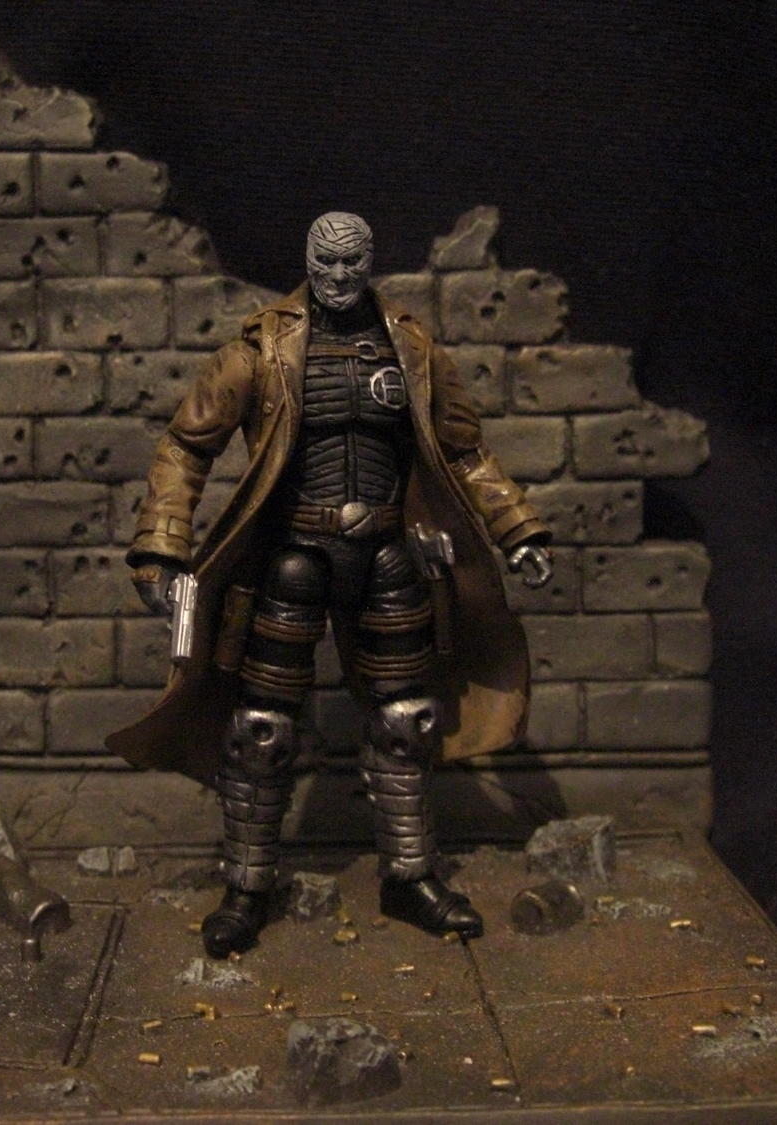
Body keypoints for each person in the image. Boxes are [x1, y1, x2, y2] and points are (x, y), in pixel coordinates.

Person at [107, 212, 553, 957]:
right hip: (291, 555)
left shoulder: (411, 346)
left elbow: (465, 449)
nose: (339, 276)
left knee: (407, 719)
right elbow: (186, 446)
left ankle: (410, 875)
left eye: (352, 262)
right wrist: (162, 545)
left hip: (387, 552)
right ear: (308, 259)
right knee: (260, 728)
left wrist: (519, 529)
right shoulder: (261, 349)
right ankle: (248, 885)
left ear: (369, 261)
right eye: (327, 261)